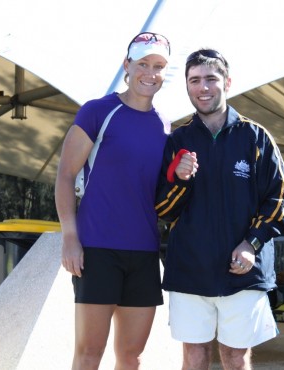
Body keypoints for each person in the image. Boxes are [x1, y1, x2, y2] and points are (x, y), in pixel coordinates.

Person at [155, 49, 284, 370]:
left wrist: (252, 244)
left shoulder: (256, 137)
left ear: (227, 82)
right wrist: (181, 180)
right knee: (194, 355)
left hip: (242, 271)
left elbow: (281, 197)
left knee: (235, 356)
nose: (203, 87)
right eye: (195, 81)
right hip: (190, 270)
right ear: (187, 87)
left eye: (210, 79)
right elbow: (162, 208)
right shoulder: (176, 141)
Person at [55, 31, 171, 370]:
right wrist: (70, 238)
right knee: (89, 354)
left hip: (145, 253)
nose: (150, 73)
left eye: (159, 66)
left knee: (132, 356)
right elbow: (64, 175)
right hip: (97, 249)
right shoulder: (97, 112)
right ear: (127, 65)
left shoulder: (166, 126)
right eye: (143, 64)